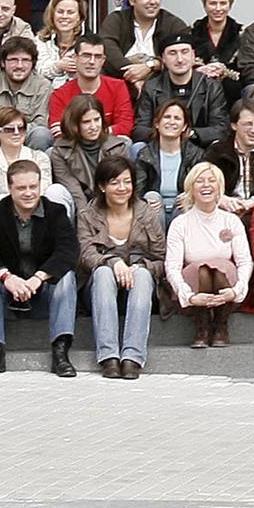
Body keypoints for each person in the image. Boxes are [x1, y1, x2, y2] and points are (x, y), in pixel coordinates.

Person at [0, 159, 79, 377]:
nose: (28, 193)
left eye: (33, 187)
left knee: (66, 277)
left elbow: (68, 251)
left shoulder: (55, 212)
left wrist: (39, 277)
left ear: (40, 186)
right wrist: (7, 277)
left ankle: (60, 351)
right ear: (10, 188)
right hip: (7, 291)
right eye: (21, 188)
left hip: (43, 290)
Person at [80, 155, 165, 379]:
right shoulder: (88, 215)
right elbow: (86, 254)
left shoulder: (147, 214)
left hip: (138, 289)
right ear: (102, 186)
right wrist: (113, 261)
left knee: (145, 276)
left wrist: (138, 266)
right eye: (115, 182)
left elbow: (161, 258)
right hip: (99, 290)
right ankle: (108, 356)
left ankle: (132, 357)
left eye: (127, 182)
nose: (122, 188)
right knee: (103, 272)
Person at [165, 164, 250, 350]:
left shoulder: (231, 220)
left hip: (225, 283)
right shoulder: (180, 223)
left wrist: (237, 290)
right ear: (190, 188)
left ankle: (221, 323)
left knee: (220, 268)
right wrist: (188, 296)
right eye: (200, 181)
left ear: (220, 187)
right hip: (194, 286)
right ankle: (202, 324)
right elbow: (172, 266)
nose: (206, 185)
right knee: (203, 269)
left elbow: (244, 261)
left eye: (212, 181)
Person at [135, 35, 230, 149]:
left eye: (184, 52)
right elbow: (139, 129)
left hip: (199, 146)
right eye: (172, 53)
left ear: (193, 55)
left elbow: (221, 129)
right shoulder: (152, 86)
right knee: (138, 147)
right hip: (160, 146)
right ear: (163, 59)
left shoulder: (211, 86)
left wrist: (190, 134)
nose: (179, 59)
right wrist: (167, 134)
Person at [98, 0, 189, 87]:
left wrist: (149, 66)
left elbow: (183, 58)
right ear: (132, 0)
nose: (152, 2)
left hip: (162, 90)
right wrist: (134, 74)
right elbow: (107, 50)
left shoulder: (174, 24)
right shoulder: (116, 20)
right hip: (119, 85)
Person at [0, 37, 54, 150]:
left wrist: (13, 134)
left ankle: (32, 167)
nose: (19, 66)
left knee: (41, 134)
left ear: (33, 64)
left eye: (25, 60)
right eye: (13, 60)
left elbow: (41, 124)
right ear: (3, 63)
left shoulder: (43, 86)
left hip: (27, 146)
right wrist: (7, 135)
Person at [48, 35, 136, 140]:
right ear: (75, 58)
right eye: (86, 55)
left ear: (103, 61)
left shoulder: (118, 87)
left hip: (108, 145)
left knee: (125, 142)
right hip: (72, 148)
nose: (92, 62)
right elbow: (57, 130)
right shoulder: (60, 94)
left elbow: (126, 125)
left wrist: (87, 132)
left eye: (98, 57)